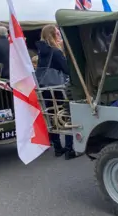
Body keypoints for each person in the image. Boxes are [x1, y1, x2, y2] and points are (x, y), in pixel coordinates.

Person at [36, 25, 75, 160]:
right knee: (67, 115)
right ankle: (70, 149)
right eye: (57, 34)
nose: (59, 36)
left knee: (52, 115)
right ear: (53, 35)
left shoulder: (41, 52)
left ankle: (58, 148)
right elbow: (66, 69)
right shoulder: (56, 52)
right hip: (58, 88)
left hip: (45, 88)